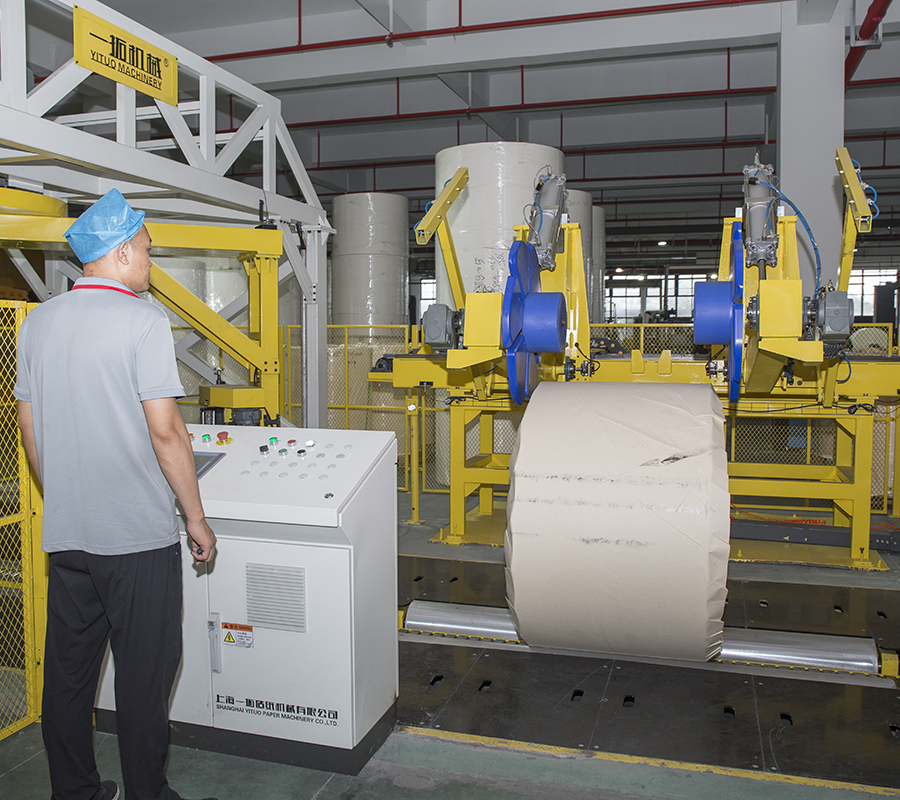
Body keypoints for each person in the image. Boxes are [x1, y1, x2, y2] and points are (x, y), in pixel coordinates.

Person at [14, 189, 217, 800]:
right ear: (123, 251)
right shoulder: (142, 320)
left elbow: (29, 426)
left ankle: (74, 792)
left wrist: (65, 493)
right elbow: (167, 431)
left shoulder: (39, 321)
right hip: (136, 540)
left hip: (69, 536)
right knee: (144, 677)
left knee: (69, 676)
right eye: (148, 250)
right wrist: (196, 518)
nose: (151, 262)